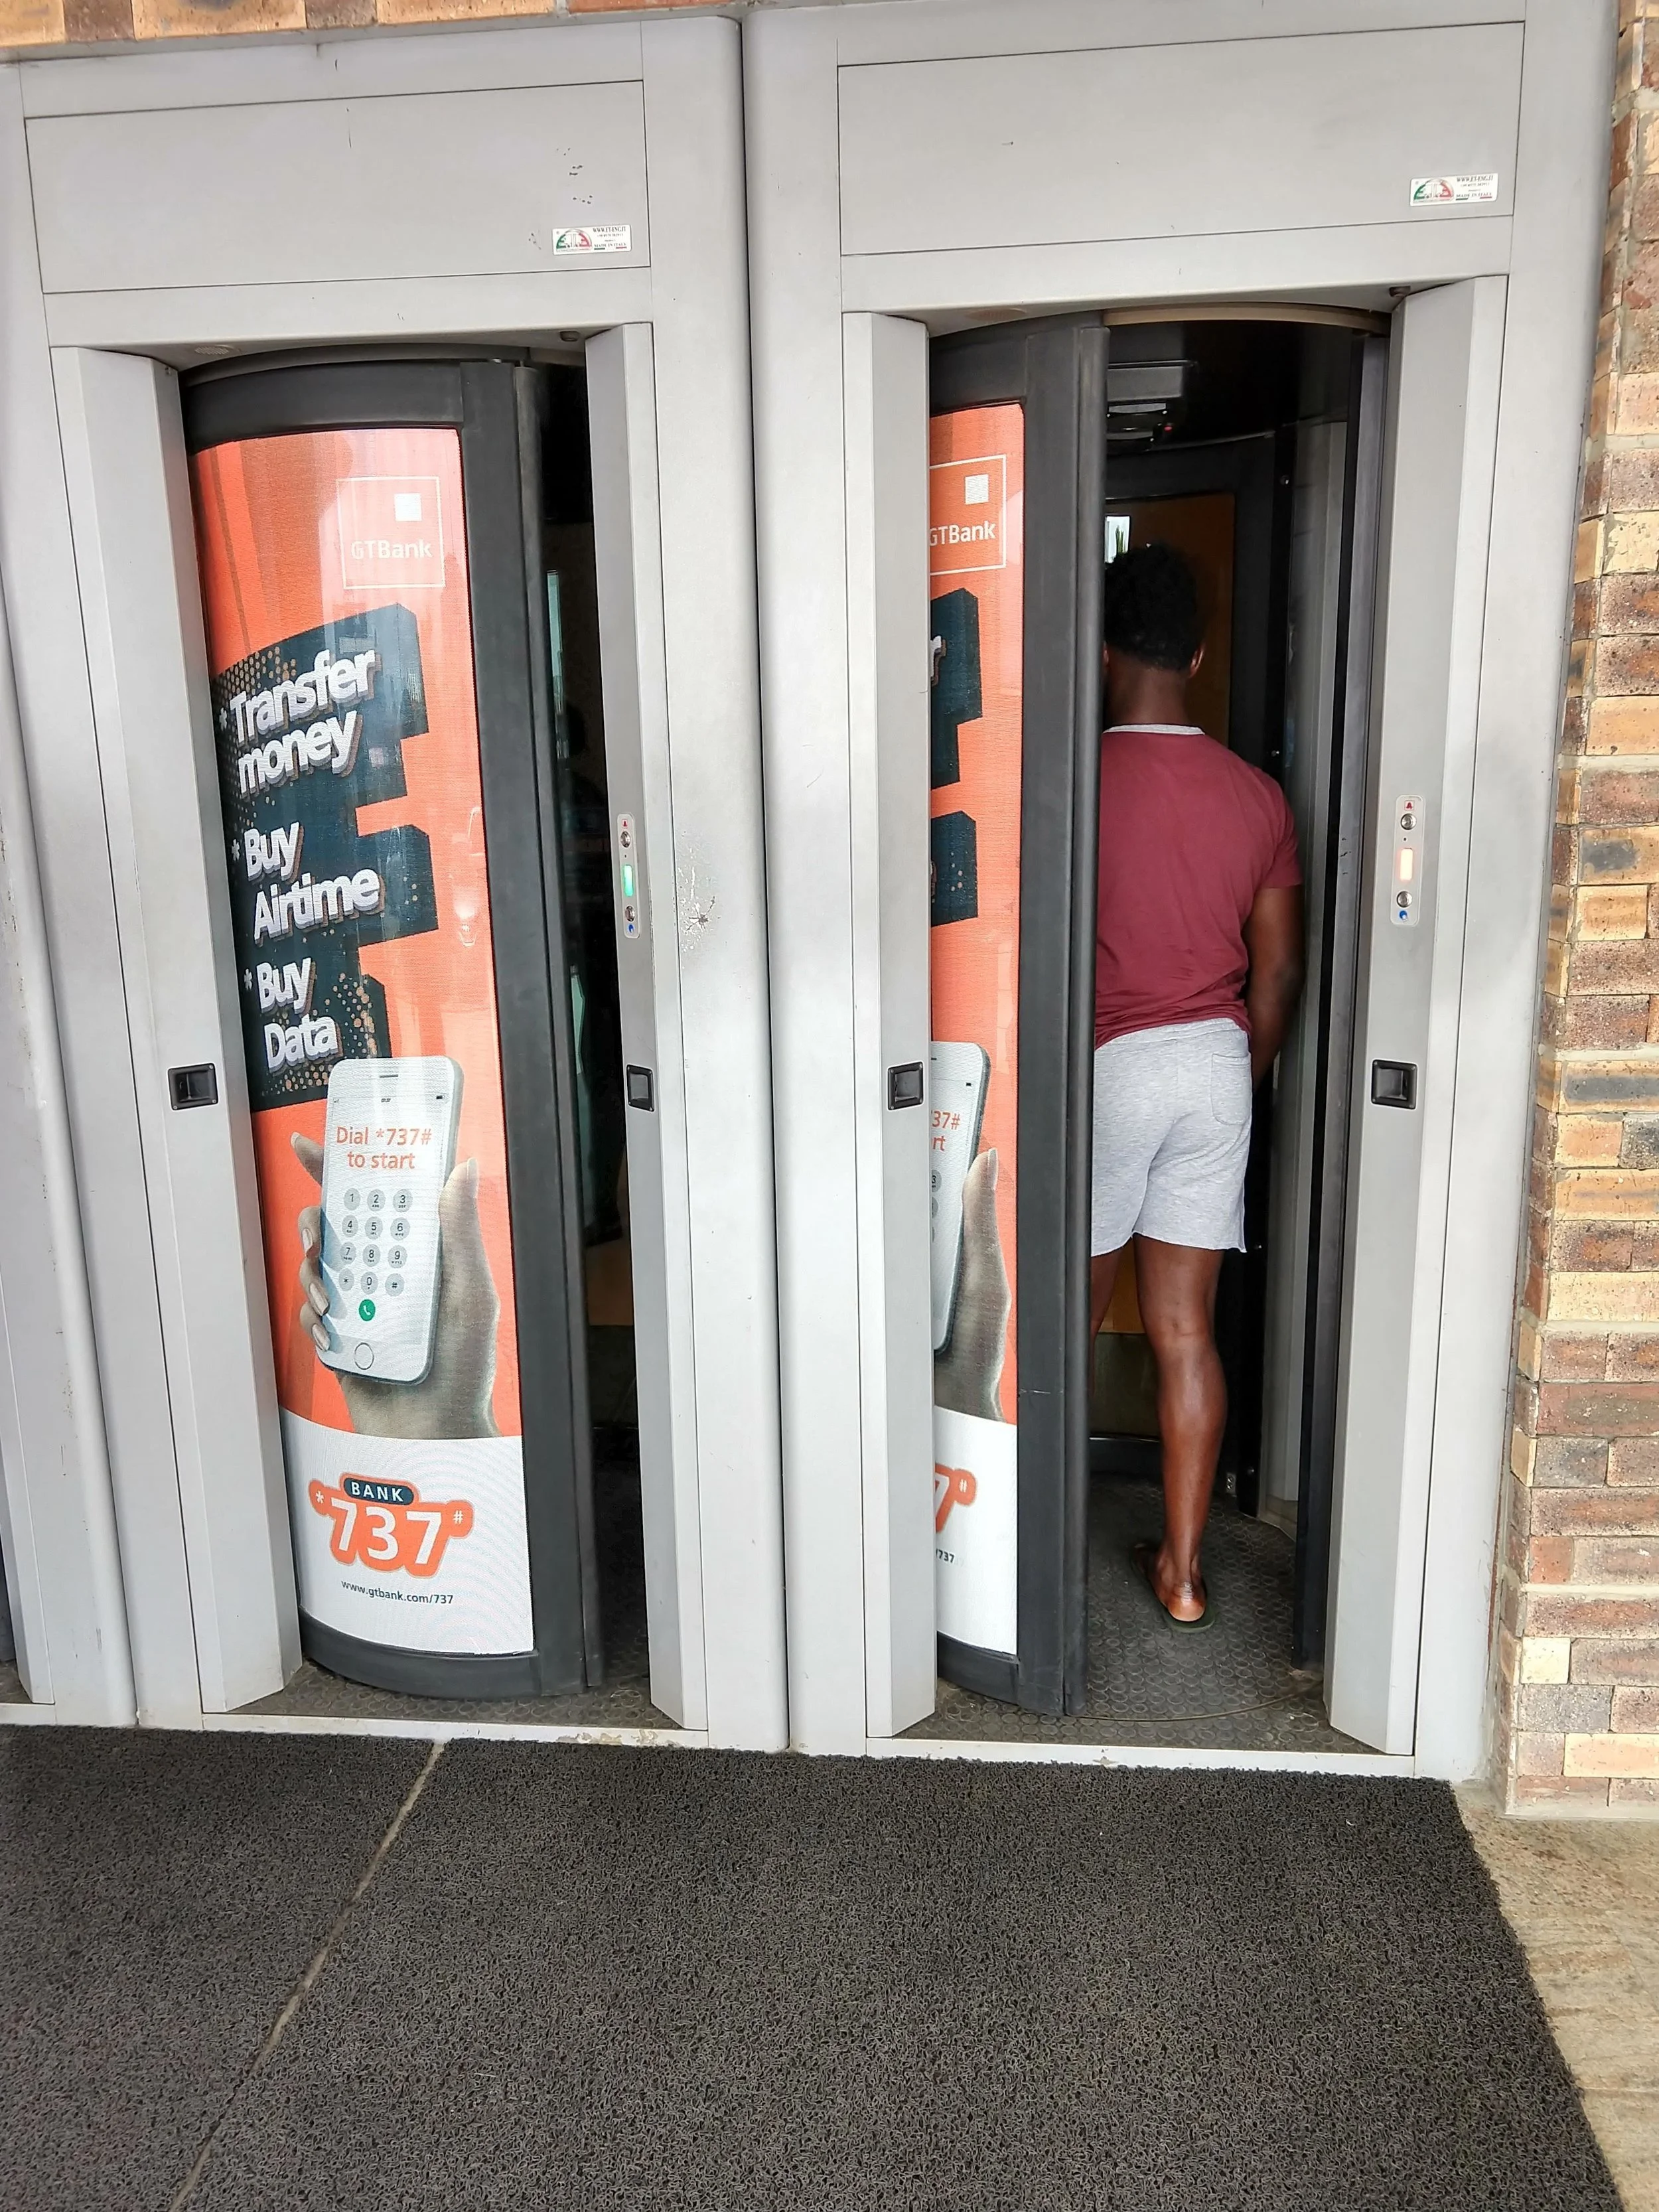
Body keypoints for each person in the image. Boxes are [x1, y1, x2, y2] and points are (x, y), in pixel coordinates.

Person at [1090, 544, 1303, 1630]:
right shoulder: (1257, 797)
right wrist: (1242, 1072)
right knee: (1185, 1330)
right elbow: (1277, 970)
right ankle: (1182, 1573)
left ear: (1106, 647)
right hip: (1216, 1065)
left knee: (1062, 1327)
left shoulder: (1069, 786)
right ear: (1202, 653)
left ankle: (1022, 1562)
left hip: (1104, 1068)